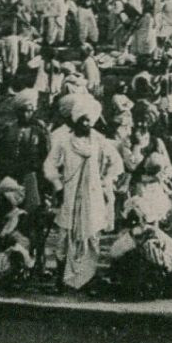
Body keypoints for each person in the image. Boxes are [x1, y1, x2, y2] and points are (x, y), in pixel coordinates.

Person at [42, 107, 123, 290]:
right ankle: (61, 280)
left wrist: (106, 181)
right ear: (75, 121)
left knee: (92, 237)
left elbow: (117, 163)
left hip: (92, 196)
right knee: (64, 236)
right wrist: (58, 185)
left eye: (89, 120)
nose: (87, 124)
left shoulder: (99, 141)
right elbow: (49, 165)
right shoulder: (64, 141)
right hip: (70, 195)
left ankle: (88, 279)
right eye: (83, 120)